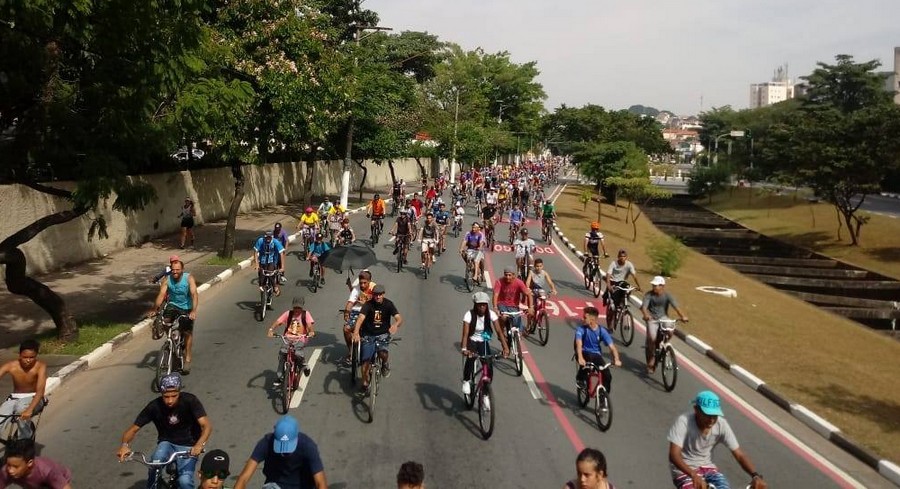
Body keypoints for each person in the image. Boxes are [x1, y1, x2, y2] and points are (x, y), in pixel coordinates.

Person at [117, 373, 212, 489]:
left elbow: (206, 426)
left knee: (185, 481)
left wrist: (198, 445)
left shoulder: (190, 401)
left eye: (174, 395)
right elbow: (133, 429)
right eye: (166, 397)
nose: (170, 400)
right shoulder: (154, 406)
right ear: (161, 394)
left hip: (189, 446)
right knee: (154, 467)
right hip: (166, 443)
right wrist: (124, 445)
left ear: (179, 392)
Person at [668, 391, 767, 489]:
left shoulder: (721, 424)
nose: (711, 420)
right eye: (707, 414)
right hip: (684, 472)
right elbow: (674, 454)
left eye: (715, 415)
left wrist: (755, 476)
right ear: (696, 410)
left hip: (708, 469)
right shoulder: (683, 421)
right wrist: (693, 475)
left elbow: (739, 454)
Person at [234, 415, 327, 489]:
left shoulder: (308, 446)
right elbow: (243, 478)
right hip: (275, 485)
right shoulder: (266, 443)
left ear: (296, 438)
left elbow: (320, 483)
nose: (284, 453)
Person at [148, 260, 199, 373]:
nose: (175, 272)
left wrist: (193, 311)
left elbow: (194, 294)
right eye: (173, 270)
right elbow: (161, 295)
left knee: (187, 332)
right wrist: (154, 309)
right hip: (173, 305)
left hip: (187, 307)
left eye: (177, 270)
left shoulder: (188, 278)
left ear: (182, 270)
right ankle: (170, 338)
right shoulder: (167, 280)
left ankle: (188, 358)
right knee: (165, 321)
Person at [351, 284, 402, 396]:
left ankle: (385, 363)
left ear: (383, 294)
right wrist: (356, 332)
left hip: (383, 334)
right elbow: (360, 318)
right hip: (368, 335)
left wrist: (395, 325)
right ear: (373, 295)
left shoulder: (389, 304)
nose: (378, 297)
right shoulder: (368, 305)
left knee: (383, 353)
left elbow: (399, 318)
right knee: (365, 362)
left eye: (380, 294)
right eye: (376, 295)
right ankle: (365, 383)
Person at [460, 292, 509, 395]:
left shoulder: (491, 314)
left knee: (488, 365)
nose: (482, 307)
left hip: (483, 340)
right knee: (470, 359)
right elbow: (465, 334)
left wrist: (505, 348)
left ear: (487, 305)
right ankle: (466, 380)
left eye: (484, 304)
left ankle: (485, 390)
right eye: (479, 304)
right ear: (475, 304)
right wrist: (464, 349)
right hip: (472, 340)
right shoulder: (469, 315)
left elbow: (499, 331)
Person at [0, 340, 47, 443]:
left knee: (21, 411)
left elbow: (40, 391)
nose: (28, 360)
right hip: (14, 398)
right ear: (20, 355)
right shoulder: (11, 365)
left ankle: (25, 445)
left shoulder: (40, 366)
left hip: (34, 398)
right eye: (25, 357)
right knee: (1, 419)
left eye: (32, 357)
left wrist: (29, 410)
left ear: (36, 356)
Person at [641, 276, 689, 373]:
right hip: (652, 318)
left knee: (670, 331)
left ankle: (663, 345)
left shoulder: (667, 296)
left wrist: (683, 316)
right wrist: (646, 315)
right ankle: (652, 357)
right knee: (651, 338)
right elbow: (644, 308)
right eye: (653, 285)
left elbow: (676, 307)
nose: (654, 287)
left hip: (663, 318)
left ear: (662, 286)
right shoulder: (648, 295)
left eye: (656, 285)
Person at [268, 297, 316, 387]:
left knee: (298, 353)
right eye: (295, 308)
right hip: (288, 338)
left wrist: (311, 332)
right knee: (282, 353)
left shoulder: (306, 314)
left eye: (299, 308)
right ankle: (280, 376)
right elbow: (278, 321)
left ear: (302, 308)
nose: (297, 310)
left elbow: (309, 326)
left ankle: (304, 365)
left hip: (300, 338)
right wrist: (271, 329)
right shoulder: (288, 313)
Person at [574, 306, 622, 394]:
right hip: (583, 353)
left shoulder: (602, 331)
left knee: (607, 376)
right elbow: (579, 344)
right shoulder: (581, 329)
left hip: (596, 356)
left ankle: (603, 396)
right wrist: (580, 358)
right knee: (587, 361)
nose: (582, 319)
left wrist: (616, 359)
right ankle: (580, 378)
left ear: (592, 319)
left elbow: (612, 347)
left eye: (585, 317)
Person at [0, 439, 72, 489]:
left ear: (29, 463)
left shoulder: (49, 472)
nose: (10, 471)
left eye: (16, 466)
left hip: (55, 482)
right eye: (8, 465)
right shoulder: (6, 471)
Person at [343, 270, 377, 365]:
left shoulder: (375, 288)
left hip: (370, 313)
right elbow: (350, 302)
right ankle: (350, 351)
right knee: (346, 329)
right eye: (360, 282)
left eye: (364, 283)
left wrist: (367, 304)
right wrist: (346, 313)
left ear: (369, 281)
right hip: (356, 313)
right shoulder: (356, 289)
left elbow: (379, 303)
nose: (362, 285)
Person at [604, 249, 642, 332]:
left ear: (626, 257)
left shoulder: (629, 265)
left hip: (622, 283)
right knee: (613, 306)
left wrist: (639, 287)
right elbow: (608, 275)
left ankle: (623, 303)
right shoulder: (613, 264)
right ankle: (610, 321)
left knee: (628, 287)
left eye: (624, 256)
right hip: (613, 282)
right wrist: (609, 285)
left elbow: (634, 276)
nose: (622, 258)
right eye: (621, 256)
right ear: (618, 257)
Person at [492, 266, 533, 335]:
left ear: (514, 275)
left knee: (519, 329)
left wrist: (530, 307)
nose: (507, 277)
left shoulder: (519, 283)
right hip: (502, 304)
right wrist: (495, 308)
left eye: (509, 275)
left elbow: (528, 294)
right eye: (506, 275)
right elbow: (495, 295)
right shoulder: (499, 282)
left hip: (514, 306)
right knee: (503, 318)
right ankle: (501, 332)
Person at [254, 231, 286, 298]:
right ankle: (263, 293)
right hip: (262, 261)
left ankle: (275, 287)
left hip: (272, 261)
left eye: (269, 237)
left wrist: (282, 267)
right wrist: (257, 265)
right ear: (264, 237)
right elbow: (255, 251)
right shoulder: (260, 241)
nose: (268, 239)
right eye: (266, 237)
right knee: (261, 276)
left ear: (272, 237)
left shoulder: (275, 242)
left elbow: (281, 253)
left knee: (271, 274)